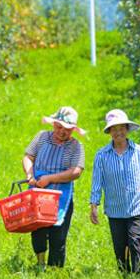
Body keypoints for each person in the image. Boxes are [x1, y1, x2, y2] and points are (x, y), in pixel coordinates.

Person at [89, 109, 140, 274]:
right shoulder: (102, 155)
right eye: (114, 129)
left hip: (137, 206)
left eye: (121, 128)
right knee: (120, 246)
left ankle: (139, 277)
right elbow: (97, 181)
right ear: (109, 132)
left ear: (127, 129)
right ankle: (124, 276)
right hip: (115, 208)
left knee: (135, 241)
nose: (118, 132)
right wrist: (94, 205)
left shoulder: (139, 152)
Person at [22, 106, 85, 268]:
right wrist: (30, 175)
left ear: (73, 130)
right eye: (59, 127)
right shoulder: (42, 137)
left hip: (60, 195)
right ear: (53, 124)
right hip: (38, 193)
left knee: (58, 234)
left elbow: (76, 171)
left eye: (67, 129)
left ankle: (55, 270)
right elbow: (28, 156)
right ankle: (40, 263)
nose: (62, 132)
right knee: (38, 230)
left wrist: (50, 178)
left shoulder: (76, 146)